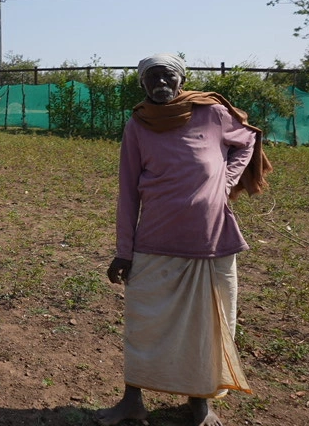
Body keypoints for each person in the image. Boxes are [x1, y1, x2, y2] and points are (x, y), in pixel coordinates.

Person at [95, 53, 272, 426]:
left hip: (212, 241)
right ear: (142, 83)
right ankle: (132, 401)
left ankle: (200, 402)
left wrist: (225, 180)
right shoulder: (138, 124)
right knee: (143, 324)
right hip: (154, 241)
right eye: (152, 77)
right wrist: (124, 251)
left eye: (168, 76)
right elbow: (128, 192)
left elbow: (248, 140)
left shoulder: (212, 114)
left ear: (182, 80)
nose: (160, 83)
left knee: (207, 326)